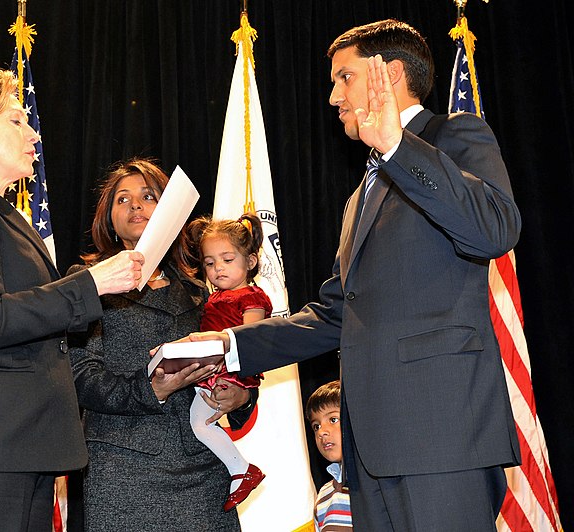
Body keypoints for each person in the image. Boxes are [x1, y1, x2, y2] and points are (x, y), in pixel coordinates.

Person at [188, 19, 521, 531]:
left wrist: (397, 146)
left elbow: (494, 229)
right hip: (370, 450)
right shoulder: (359, 198)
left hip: (440, 435)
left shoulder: (454, 136)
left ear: (385, 76)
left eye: (343, 78)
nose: (332, 96)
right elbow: (336, 314)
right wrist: (227, 346)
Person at [0, 68, 145, 530]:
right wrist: (90, 285)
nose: (32, 131)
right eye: (16, 121)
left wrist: (95, 284)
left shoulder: (3, 214)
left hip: (20, 448)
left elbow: (31, 313)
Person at [67, 158, 258, 531]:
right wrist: (148, 389)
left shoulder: (201, 288)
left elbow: (235, 358)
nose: (135, 205)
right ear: (108, 218)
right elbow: (78, 374)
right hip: (122, 470)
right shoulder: (88, 282)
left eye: (148, 196)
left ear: (169, 209)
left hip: (203, 467)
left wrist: (242, 400)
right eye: (122, 200)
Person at [186, 213, 271, 511]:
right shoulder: (212, 298)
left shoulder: (252, 297)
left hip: (229, 372)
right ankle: (240, 470)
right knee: (200, 422)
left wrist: (234, 376)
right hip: (208, 369)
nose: (217, 268)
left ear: (249, 261)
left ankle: (242, 469)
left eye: (227, 259)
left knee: (199, 422)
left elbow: (251, 340)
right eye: (210, 263)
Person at [306, 380, 352, 531]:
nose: (321, 432)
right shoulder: (324, 495)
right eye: (316, 426)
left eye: (333, 420)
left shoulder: (374, 486)